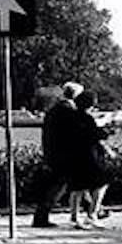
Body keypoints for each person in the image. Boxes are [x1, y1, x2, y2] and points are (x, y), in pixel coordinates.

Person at [31, 81, 83, 228]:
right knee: (59, 185)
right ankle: (41, 217)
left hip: (53, 152)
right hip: (62, 155)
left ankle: (94, 209)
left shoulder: (54, 109)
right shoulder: (67, 110)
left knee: (70, 182)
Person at [68, 90, 114, 227]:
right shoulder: (87, 118)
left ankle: (74, 217)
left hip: (75, 155)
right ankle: (92, 214)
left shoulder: (72, 117)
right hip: (89, 156)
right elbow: (96, 134)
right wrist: (105, 126)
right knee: (101, 183)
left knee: (77, 187)